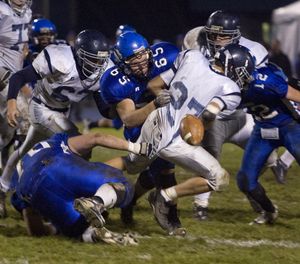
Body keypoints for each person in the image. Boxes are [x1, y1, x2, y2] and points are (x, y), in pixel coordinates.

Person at [105, 40, 246, 232]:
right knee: (217, 178)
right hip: (171, 136)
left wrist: (170, 105)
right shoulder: (231, 89)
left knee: (133, 164)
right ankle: (164, 198)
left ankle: (94, 180)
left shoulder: (192, 57)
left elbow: (154, 85)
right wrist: (197, 126)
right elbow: (208, 115)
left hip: (156, 121)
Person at [182, 10, 289, 221]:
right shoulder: (196, 41)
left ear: (235, 35)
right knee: (209, 160)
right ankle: (201, 205)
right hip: (212, 116)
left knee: (269, 158)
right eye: (212, 34)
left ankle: (252, 193)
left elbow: (258, 86)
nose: (215, 40)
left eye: (222, 35)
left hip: (242, 115)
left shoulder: (254, 50)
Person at [0, 29, 112, 217]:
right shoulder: (60, 58)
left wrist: (120, 112)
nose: (98, 65)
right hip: (41, 108)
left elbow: (104, 108)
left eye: (101, 60)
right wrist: (11, 102)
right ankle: (76, 199)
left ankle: (2, 190)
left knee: (25, 150)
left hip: (61, 113)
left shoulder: (102, 69)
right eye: (93, 60)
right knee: (79, 147)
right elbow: (20, 77)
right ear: (80, 55)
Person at [100, 31, 183, 235]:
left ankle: (129, 202)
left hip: (168, 119)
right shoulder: (115, 81)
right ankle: (171, 218)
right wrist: (155, 104)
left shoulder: (167, 54)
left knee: (156, 171)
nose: (142, 62)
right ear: (121, 62)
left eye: (143, 55)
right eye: (133, 60)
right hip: (139, 128)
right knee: (163, 168)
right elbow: (128, 119)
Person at [10, 132, 151, 245]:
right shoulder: (57, 141)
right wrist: (135, 147)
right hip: (58, 165)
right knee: (124, 185)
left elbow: (35, 229)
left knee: (78, 229)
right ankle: (97, 202)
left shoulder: (17, 177)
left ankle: (93, 234)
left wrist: (56, 227)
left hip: (32, 190)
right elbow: (96, 137)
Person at [217, 44, 300, 225]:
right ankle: (269, 211)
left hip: (290, 126)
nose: (220, 72)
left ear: (239, 69)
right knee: (245, 180)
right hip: (262, 129)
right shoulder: (230, 87)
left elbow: (297, 95)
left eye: (224, 67)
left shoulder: (265, 80)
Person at [0, 0, 33, 217]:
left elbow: (22, 47)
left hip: (12, 80)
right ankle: (18, 195)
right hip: (3, 78)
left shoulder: (27, 12)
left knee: (8, 137)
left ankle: (16, 191)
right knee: (28, 124)